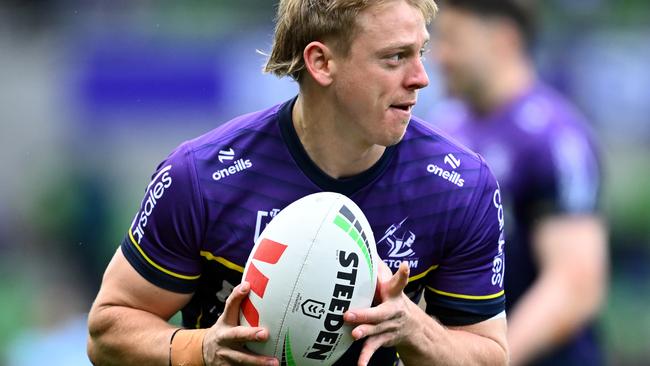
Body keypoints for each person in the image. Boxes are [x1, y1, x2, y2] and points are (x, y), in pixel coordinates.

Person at [87, 1, 509, 365]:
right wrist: (201, 351)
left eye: (421, 52)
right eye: (395, 57)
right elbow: (107, 330)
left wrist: (414, 329)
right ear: (321, 62)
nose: (421, 77)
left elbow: (490, 354)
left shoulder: (459, 187)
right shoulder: (200, 178)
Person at [429, 1, 608, 365]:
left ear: (504, 40)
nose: (439, 57)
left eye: (453, 40)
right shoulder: (442, 128)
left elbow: (575, 285)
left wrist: (488, 359)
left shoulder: (553, 138)